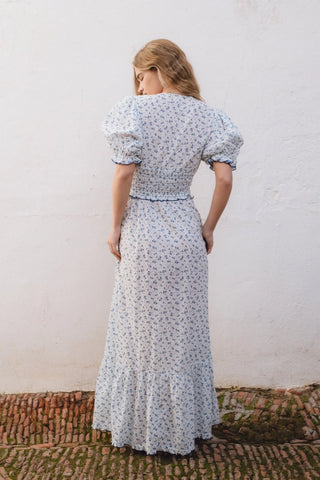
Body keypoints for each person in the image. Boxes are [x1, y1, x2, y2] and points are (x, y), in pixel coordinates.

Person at [92, 38, 244, 456]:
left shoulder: (132, 111)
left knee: (138, 334)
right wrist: (209, 227)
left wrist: (115, 225)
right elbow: (225, 179)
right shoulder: (210, 117)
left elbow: (124, 174)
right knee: (183, 335)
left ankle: (142, 430)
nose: (140, 88)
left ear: (158, 69)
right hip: (183, 230)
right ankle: (180, 429)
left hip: (142, 231)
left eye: (142, 78)